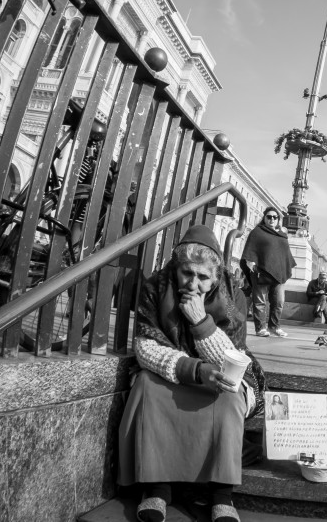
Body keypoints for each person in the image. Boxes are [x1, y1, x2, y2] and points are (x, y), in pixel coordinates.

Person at [118, 224, 264, 522]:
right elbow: (146, 347)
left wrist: (201, 323)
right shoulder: (156, 287)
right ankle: (157, 489)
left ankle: (221, 494)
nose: (193, 283)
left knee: (230, 395)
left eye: (203, 277)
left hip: (221, 373)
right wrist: (194, 370)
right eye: (187, 273)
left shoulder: (233, 296)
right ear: (176, 268)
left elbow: (233, 360)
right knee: (146, 385)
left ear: (215, 276)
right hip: (173, 372)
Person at [240, 208, 294, 338]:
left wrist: (285, 268)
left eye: (275, 217)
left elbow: (285, 255)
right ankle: (260, 328)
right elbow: (250, 249)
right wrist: (251, 262)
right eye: (269, 217)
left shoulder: (282, 235)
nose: (272, 219)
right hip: (261, 272)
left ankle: (274, 327)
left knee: (279, 302)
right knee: (260, 302)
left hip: (278, 273)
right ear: (264, 218)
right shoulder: (257, 232)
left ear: (278, 220)